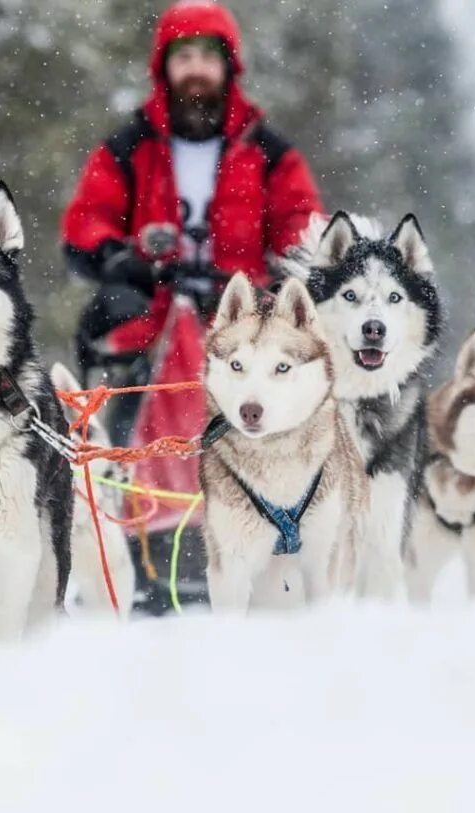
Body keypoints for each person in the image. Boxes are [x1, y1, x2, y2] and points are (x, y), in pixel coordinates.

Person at [61, 0, 325, 612]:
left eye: (209, 57)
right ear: (165, 68)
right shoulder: (131, 145)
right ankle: (133, 550)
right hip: (149, 315)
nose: (197, 71)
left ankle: (263, 548)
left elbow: (300, 228)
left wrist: (265, 280)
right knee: (123, 404)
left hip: (240, 316)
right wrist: (120, 259)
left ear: (229, 68)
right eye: (185, 58)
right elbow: (87, 221)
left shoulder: (268, 150)